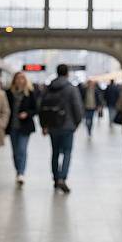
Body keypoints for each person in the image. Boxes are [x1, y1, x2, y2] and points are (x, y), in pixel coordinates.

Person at [40, 64, 83, 194]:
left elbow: (41, 106)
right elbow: (77, 107)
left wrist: (44, 125)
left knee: (55, 152)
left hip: (52, 125)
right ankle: (62, 178)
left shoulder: (49, 88)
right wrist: (77, 123)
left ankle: (55, 177)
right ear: (67, 73)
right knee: (67, 152)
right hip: (67, 125)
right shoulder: (71, 88)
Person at [5, 71, 37, 186]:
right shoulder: (8, 93)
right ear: (14, 80)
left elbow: (35, 109)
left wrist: (27, 113)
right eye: (18, 78)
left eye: (22, 78)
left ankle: (21, 173)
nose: (20, 80)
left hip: (25, 126)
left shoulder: (30, 93)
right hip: (13, 126)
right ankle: (18, 170)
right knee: (15, 152)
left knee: (22, 150)